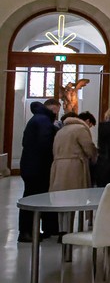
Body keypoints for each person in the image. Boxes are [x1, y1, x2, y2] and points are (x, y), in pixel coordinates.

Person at [18, 99, 61, 241]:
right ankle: (26, 232)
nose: (57, 114)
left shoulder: (38, 118)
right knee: (33, 199)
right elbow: (45, 143)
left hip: (31, 165)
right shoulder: (43, 121)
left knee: (35, 197)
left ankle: (39, 229)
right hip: (38, 167)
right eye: (56, 111)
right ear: (52, 108)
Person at [50, 111, 97, 192]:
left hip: (58, 167)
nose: (89, 127)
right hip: (75, 166)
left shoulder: (61, 131)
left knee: (60, 193)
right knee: (75, 193)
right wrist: (94, 158)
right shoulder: (80, 129)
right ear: (88, 121)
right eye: (90, 125)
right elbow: (88, 147)